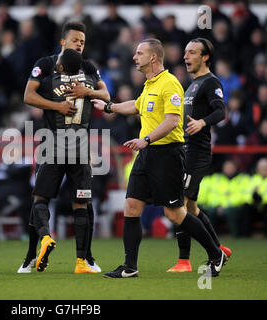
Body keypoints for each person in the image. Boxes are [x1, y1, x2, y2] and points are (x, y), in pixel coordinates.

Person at [92, 38, 227, 278]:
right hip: (146, 154)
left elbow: (172, 121)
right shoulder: (149, 84)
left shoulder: (170, 84)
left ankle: (216, 254)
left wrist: (147, 140)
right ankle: (130, 267)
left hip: (167, 154)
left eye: (139, 53)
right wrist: (109, 107)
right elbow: (137, 105)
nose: (135, 57)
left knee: (175, 213)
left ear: (153, 57)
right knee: (132, 207)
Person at [18, 23, 110, 274]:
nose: (80, 44)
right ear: (63, 42)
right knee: (80, 204)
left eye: (83, 40)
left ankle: (65, 253)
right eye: (75, 40)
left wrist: (86, 91)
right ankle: (80, 261)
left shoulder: (87, 67)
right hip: (72, 143)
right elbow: (107, 96)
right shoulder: (46, 64)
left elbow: (28, 96)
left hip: (59, 143)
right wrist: (60, 105)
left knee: (42, 199)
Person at [166, 38, 232, 272]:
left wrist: (203, 122)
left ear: (205, 57)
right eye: (185, 52)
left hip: (197, 153)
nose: (186, 56)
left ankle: (184, 261)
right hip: (187, 151)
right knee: (191, 208)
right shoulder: (192, 84)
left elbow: (220, 111)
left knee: (179, 204)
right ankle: (219, 249)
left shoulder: (211, 82)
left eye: (192, 52)